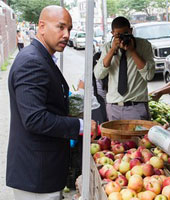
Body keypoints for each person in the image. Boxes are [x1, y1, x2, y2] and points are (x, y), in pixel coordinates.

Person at [7, 5, 97, 200]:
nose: (66, 34)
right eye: (60, 27)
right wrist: (81, 125)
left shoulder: (42, 57)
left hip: (43, 172)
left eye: (69, 29)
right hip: (36, 175)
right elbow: (35, 118)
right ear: (41, 27)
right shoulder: (31, 61)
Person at [94, 16, 155, 120]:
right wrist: (112, 50)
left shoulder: (144, 45)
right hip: (113, 106)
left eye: (126, 33)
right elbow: (99, 74)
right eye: (118, 35)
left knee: (140, 137)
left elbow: (149, 75)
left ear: (131, 31)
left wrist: (132, 51)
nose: (123, 37)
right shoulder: (107, 47)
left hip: (137, 105)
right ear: (112, 33)